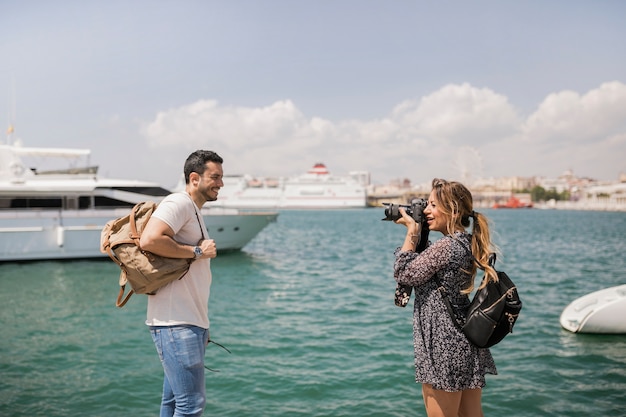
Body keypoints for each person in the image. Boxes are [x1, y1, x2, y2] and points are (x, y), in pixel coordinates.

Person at [393, 178, 498, 417]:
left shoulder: (446, 247)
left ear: (452, 210)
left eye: (432, 205)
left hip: (442, 344)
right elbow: (424, 264)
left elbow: (404, 273)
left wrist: (412, 231)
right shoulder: (465, 243)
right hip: (463, 340)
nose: (426, 211)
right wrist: (420, 234)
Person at [139, 150, 224, 417]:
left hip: (188, 323)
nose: (221, 184)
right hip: (176, 324)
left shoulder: (194, 211)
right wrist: (197, 251)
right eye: (216, 177)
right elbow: (150, 240)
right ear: (195, 178)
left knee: (174, 401)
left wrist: (202, 326)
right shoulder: (179, 203)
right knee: (191, 405)